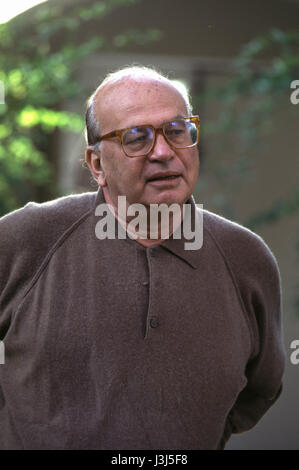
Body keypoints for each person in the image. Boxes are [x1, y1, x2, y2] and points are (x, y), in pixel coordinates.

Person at [0, 65, 285, 450]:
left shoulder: (245, 258)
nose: (164, 152)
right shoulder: (26, 239)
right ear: (97, 164)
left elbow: (260, 390)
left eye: (177, 131)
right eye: (137, 138)